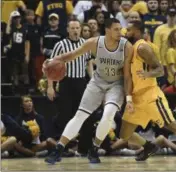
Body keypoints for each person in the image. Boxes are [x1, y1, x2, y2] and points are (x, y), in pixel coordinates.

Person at [43, 18, 133, 164]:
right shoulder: (94, 42)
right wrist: (53, 61)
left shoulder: (126, 46)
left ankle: (94, 149)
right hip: (97, 82)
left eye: (120, 29)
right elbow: (72, 55)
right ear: (108, 30)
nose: (120, 32)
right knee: (79, 116)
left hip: (116, 85)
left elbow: (128, 75)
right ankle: (59, 149)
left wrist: (128, 98)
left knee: (108, 115)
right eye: (116, 29)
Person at [120, 20, 176, 161]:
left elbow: (159, 70)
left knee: (172, 125)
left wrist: (148, 74)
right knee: (124, 134)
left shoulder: (142, 47)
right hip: (136, 98)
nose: (126, 32)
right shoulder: (131, 49)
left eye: (129, 29)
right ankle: (149, 146)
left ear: (137, 31)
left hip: (150, 94)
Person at [47, 19, 93, 137]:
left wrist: (92, 80)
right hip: (66, 82)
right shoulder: (60, 45)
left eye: (77, 28)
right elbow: (50, 66)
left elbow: (88, 63)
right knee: (65, 114)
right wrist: (50, 87)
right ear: (68, 30)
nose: (75, 31)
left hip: (81, 82)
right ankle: (64, 145)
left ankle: (83, 145)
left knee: (82, 113)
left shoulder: (85, 43)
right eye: (72, 28)